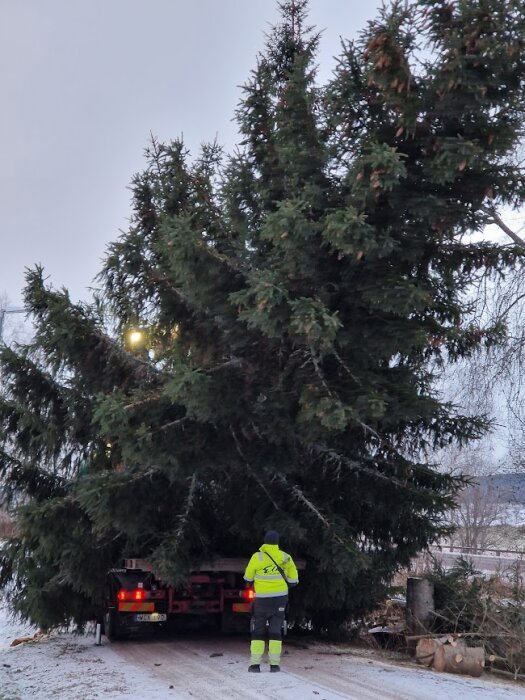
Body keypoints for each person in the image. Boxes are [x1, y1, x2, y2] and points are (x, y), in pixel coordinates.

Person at [243, 530, 299, 673]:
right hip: (280, 600)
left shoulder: (257, 557)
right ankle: (274, 665)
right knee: (275, 631)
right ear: (277, 543)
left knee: (258, 631)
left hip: (261, 601)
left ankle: (255, 665)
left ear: (265, 542)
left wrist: (252, 582)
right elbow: (293, 581)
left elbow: (248, 578)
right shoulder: (285, 557)